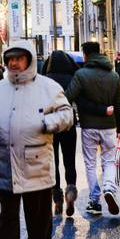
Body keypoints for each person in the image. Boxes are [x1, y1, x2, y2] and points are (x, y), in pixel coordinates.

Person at [0, 40, 73, 239]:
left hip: (37, 164)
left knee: (39, 221)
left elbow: (67, 114)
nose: (14, 63)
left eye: (19, 58)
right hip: (6, 164)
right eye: (10, 59)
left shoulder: (48, 87)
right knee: (8, 221)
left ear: (29, 60)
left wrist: (47, 124)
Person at [65, 42, 120, 217]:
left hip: (89, 126)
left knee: (90, 163)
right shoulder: (113, 75)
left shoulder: (81, 74)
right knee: (109, 161)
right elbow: (118, 104)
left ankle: (94, 200)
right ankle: (108, 187)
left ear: (85, 54)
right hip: (109, 125)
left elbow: (69, 97)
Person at [42, 50, 81, 217]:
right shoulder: (72, 78)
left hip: (51, 125)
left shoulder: (44, 81)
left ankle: (56, 197)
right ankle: (70, 190)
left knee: (54, 161)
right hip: (68, 123)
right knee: (69, 160)